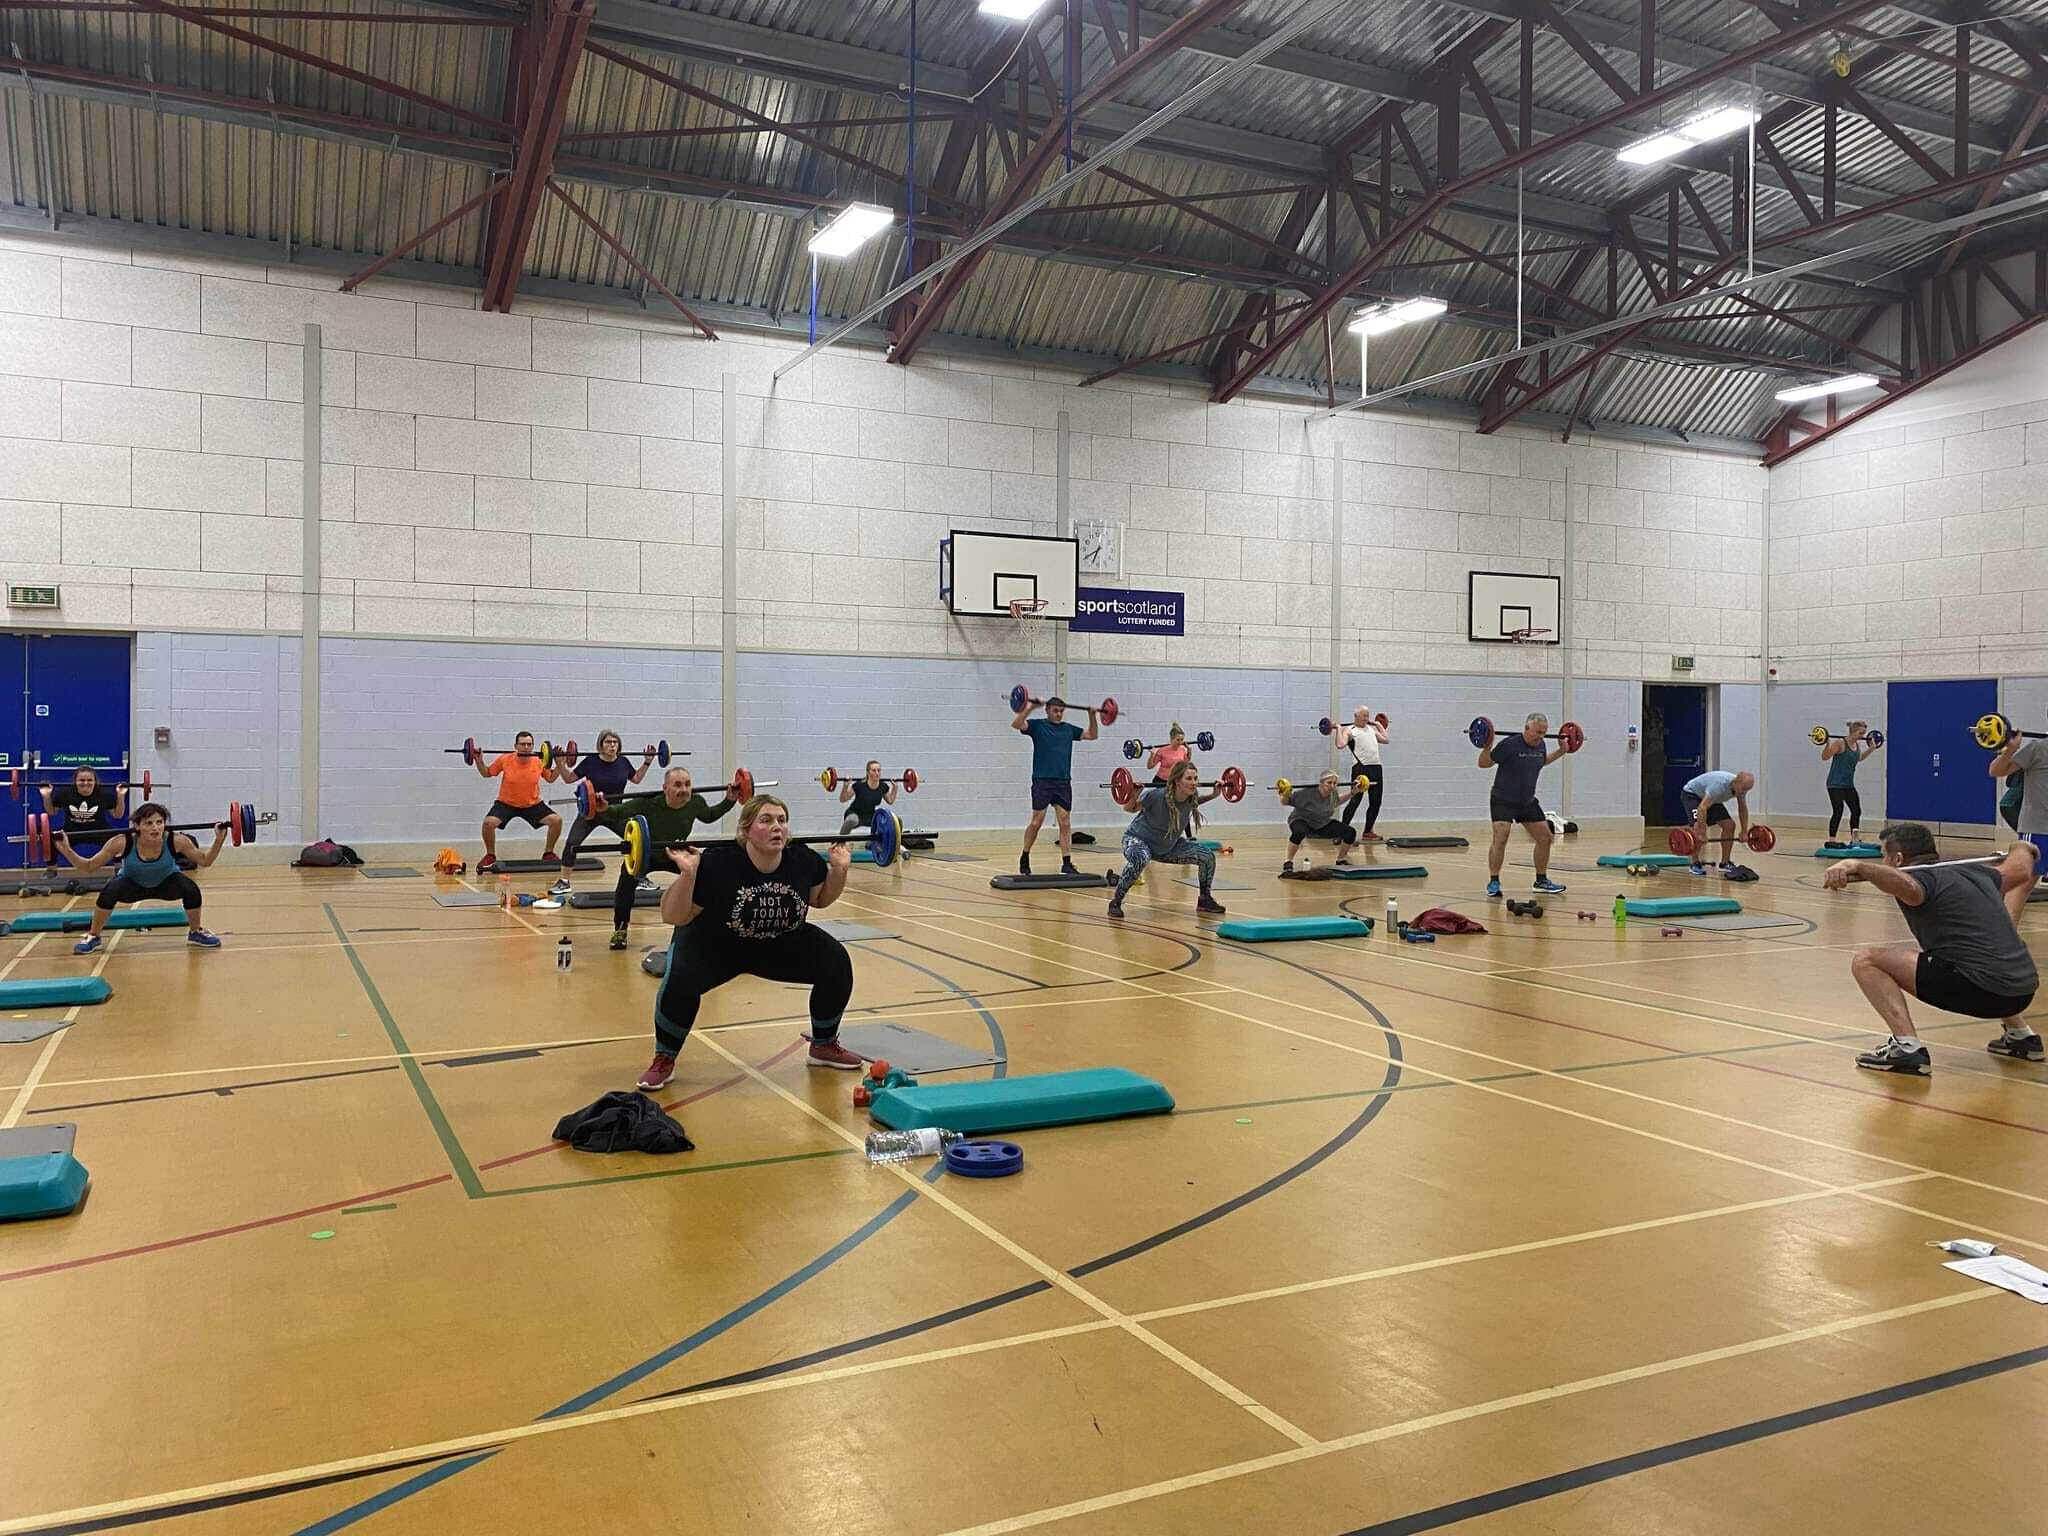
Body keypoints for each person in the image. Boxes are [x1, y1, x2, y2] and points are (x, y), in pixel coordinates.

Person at [636, 793, 859, 1091]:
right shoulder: (719, 863)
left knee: (836, 961)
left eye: (782, 820)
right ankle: (665, 1057)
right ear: (745, 831)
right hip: (715, 945)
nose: (776, 827)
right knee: (680, 980)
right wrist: (688, 875)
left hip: (779, 943)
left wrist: (839, 870)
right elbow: (673, 915)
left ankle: (823, 1045)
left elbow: (820, 898)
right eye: (766, 820)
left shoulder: (801, 859)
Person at [1826, 824, 2042, 1075]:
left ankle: (1907, 1049)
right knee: (1983, 955)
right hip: (2023, 990)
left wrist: (1859, 866)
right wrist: (2022, 847)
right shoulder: (1977, 874)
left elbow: (1906, 885)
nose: (1883, 862)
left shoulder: (1919, 879)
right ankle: (2021, 1037)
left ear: (1898, 859)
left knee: (1867, 961)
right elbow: (2021, 869)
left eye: (1885, 856)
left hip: (1985, 992)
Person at [51, 801, 226, 952]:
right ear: (137, 826)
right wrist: (66, 850)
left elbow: (205, 861)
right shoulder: (121, 841)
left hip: (166, 883)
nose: (155, 827)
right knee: (110, 891)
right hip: (132, 885)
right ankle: (93, 936)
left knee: (191, 888)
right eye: (148, 823)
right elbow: (88, 867)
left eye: (159, 822)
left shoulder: (177, 840)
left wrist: (218, 840)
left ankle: (196, 932)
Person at [605, 767, 735, 950]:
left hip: (675, 854)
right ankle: (620, 929)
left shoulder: (695, 802)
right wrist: (602, 807)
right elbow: (617, 812)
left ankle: (703, 929)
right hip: (645, 855)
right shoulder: (648, 803)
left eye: (687, 784)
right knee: (626, 882)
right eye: (678, 785)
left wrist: (730, 800)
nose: (684, 789)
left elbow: (709, 816)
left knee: (704, 877)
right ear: (665, 788)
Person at [1110, 760, 1225, 919]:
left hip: (1167, 848)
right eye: (1189, 779)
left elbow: (1195, 803)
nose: (1194, 783)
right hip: (1137, 841)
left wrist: (1214, 794)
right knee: (1141, 858)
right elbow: (1129, 808)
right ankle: (1116, 901)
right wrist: (1134, 793)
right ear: (1177, 781)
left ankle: (1205, 900)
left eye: (1195, 779)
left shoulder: (1190, 798)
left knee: (1207, 857)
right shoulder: (1156, 795)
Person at [551, 730, 655, 895]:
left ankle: (641, 878)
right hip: (590, 812)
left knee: (638, 842)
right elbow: (569, 779)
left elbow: (636, 779)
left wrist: (647, 762)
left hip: (615, 812)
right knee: (572, 843)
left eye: (615, 742)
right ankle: (564, 881)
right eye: (608, 742)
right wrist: (560, 764)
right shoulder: (590, 762)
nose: (612, 745)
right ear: (601, 745)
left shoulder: (623, 762)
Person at [1478, 713, 1568, 898]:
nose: (1541, 736)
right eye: (1537, 732)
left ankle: (1541, 881)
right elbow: (1483, 764)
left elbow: (1541, 762)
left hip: (1526, 800)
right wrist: (1487, 746)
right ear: (1527, 729)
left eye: (1544, 733)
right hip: (1503, 799)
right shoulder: (1510, 744)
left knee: (1545, 838)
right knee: (1500, 838)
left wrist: (1561, 751)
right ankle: (1494, 881)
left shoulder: (1540, 745)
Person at [1012, 694, 1099, 876]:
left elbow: (1092, 735)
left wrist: (1092, 716)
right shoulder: (1038, 726)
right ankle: (1025, 856)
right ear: (1048, 710)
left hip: (1063, 782)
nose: (1059, 714)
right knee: (1037, 822)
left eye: (1061, 711)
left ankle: (1066, 863)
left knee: (1065, 822)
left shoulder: (1068, 729)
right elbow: (1017, 724)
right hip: (1042, 781)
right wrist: (1030, 707)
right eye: (1055, 711)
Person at [475, 730, 562, 873]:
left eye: (529, 744)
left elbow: (551, 778)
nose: (526, 747)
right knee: (488, 823)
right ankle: (490, 855)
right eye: (523, 744)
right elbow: (486, 773)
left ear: (533, 746)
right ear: (516, 746)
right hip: (506, 803)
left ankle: (548, 854)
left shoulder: (539, 760)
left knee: (556, 821)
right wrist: (479, 761)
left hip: (532, 804)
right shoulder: (505, 759)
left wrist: (559, 765)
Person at [1987, 726, 2048, 867]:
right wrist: (2011, 748)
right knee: (2021, 884)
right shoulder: (2038, 748)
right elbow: (1995, 770)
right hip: (2039, 830)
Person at [1679, 767, 1756, 875]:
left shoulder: (1741, 789)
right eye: (1743, 789)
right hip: (1692, 795)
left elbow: (1742, 809)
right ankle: (1695, 863)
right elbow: (1702, 808)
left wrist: (1744, 831)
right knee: (1697, 827)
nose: (1744, 792)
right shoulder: (1719, 786)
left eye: (1747, 790)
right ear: (1736, 782)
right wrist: (1702, 832)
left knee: (1729, 825)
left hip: (1712, 799)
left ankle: (1725, 863)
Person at [1282, 770, 1358, 873]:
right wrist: (1285, 793)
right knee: (1299, 832)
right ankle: (1288, 861)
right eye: (1329, 783)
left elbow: (1337, 802)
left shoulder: (1332, 794)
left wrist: (1352, 792)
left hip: (1321, 823)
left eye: (1335, 783)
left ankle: (1341, 860)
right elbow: (1285, 802)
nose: (1332, 786)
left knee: (1350, 832)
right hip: (1301, 820)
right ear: (1321, 783)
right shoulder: (1306, 793)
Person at [1820, 723, 1879, 847]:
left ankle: (1854, 839)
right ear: (1852, 732)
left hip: (1848, 784)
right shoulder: (1840, 743)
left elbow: (1859, 758)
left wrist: (1872, 748)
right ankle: (1831, 841)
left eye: (1863, 733)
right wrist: (1826, 743)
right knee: (1838, 811)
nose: (1863, 736)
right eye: (1860, 733)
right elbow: (1825, 757)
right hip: (1835, 784)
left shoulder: (1856, 745)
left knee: (1856, 810)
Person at [1336, 706, 1389, 841]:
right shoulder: (1350, 730)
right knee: (1355, 801)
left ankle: (1368, 832)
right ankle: (1342, 832)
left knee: (1376, 802)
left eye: (1367, 715)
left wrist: (1378, 725)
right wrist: (1338, 730)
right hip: (1360, 768)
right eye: (1364, 716)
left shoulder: (1371, 729)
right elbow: (1340, 745)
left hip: (1376, 768)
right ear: (1356, 716)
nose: (1366, 718)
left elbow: (1385, 739)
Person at [39, 765, 126, 844]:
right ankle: (53, 862)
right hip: (71, 832)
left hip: (99, 832)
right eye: (82, 780)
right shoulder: (65, 793)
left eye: (89, 780)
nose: (85, 783)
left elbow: (117, 815)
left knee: (122, 840)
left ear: (95, 781)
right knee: (50, 841)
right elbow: (51, 812)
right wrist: (46, 795)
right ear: (75, 781)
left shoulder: (104, 794)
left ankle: (117, 861)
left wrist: (121, 795)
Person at [838, 761, 898, 835]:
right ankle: (839, 843)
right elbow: (843, 799)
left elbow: (890, 800)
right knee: (851, 820)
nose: (877, 773)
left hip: (870, 815)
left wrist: (895, 788)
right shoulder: (859, 785)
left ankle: (874, 843)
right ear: (868, 772)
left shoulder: (883, 786)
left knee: (885, 822)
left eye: (879, 770)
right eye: (874, 770)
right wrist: (845, 786)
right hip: (855, 812)